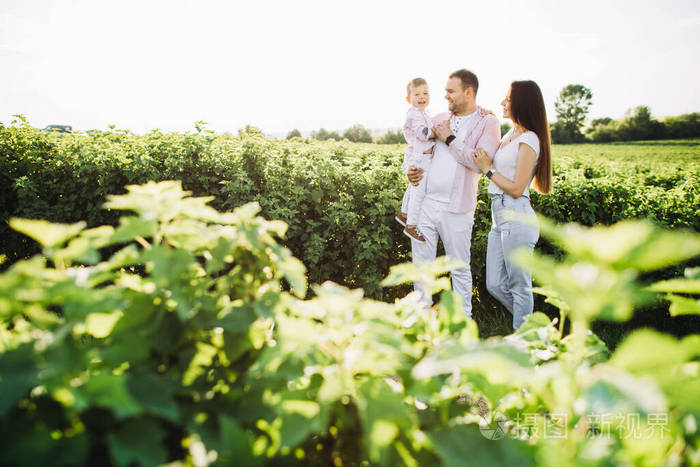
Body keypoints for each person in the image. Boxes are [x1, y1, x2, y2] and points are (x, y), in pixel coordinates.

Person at [407, 69, 500, 318]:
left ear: (468, 92)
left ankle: (462, 322)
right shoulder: (437, 117)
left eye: (451, 91)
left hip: (457, 208)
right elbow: (417, 146)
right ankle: (421, 320)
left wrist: (449, 137)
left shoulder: (488, 122)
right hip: (426, 203)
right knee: (421, 266)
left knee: (459, 267)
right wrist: (410, 170)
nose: (445, 95)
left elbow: (480, 161)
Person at [472, 80, 552, 330]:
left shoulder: (530, 140)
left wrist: (488, 171)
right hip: (500, 217)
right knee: (495, 284)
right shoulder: (511, 134)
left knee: (520, 287)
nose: (503, 102)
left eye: (507, 99)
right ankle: (534, 330)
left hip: (516, 216)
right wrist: (485, 118)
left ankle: (524, 343)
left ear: (522, 103)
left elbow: (518, 188)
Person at [396, 77, 436, 243]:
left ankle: (404, 213)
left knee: (413, 187)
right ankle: (411, 226)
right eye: (417, 94)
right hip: (421, 157)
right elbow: (422, 133)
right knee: (419, 190)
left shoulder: (423, 113)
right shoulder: (414, 114)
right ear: (409, 99)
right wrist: (438, 133)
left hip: (419, 156)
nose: (422, 97)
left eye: (425, 93)